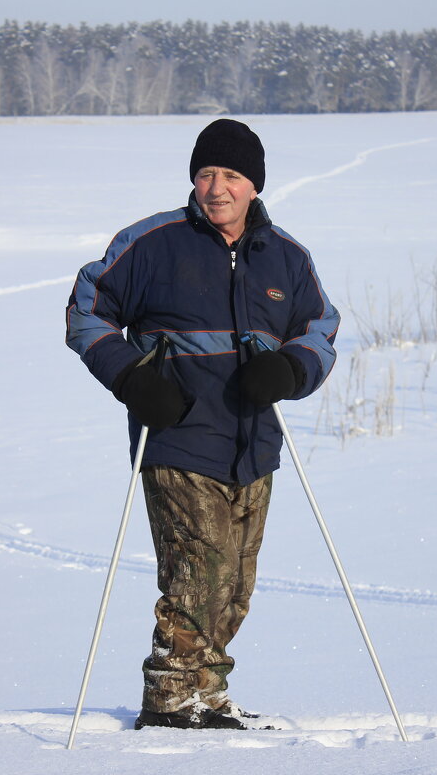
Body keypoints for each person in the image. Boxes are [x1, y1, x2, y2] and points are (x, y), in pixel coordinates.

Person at [65, 119, 339, 730]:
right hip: (176, 434)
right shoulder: (153, 244)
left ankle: (209, 696)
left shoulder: (286, 258)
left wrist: (289, 372)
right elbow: (85, 310)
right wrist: (131, 377)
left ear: (254, 186)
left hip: (254, 442)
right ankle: (168, 700)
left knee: (236, 582)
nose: (217, 188)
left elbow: (320, 330)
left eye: (232, 176)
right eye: (207, 173)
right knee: (199, 568)